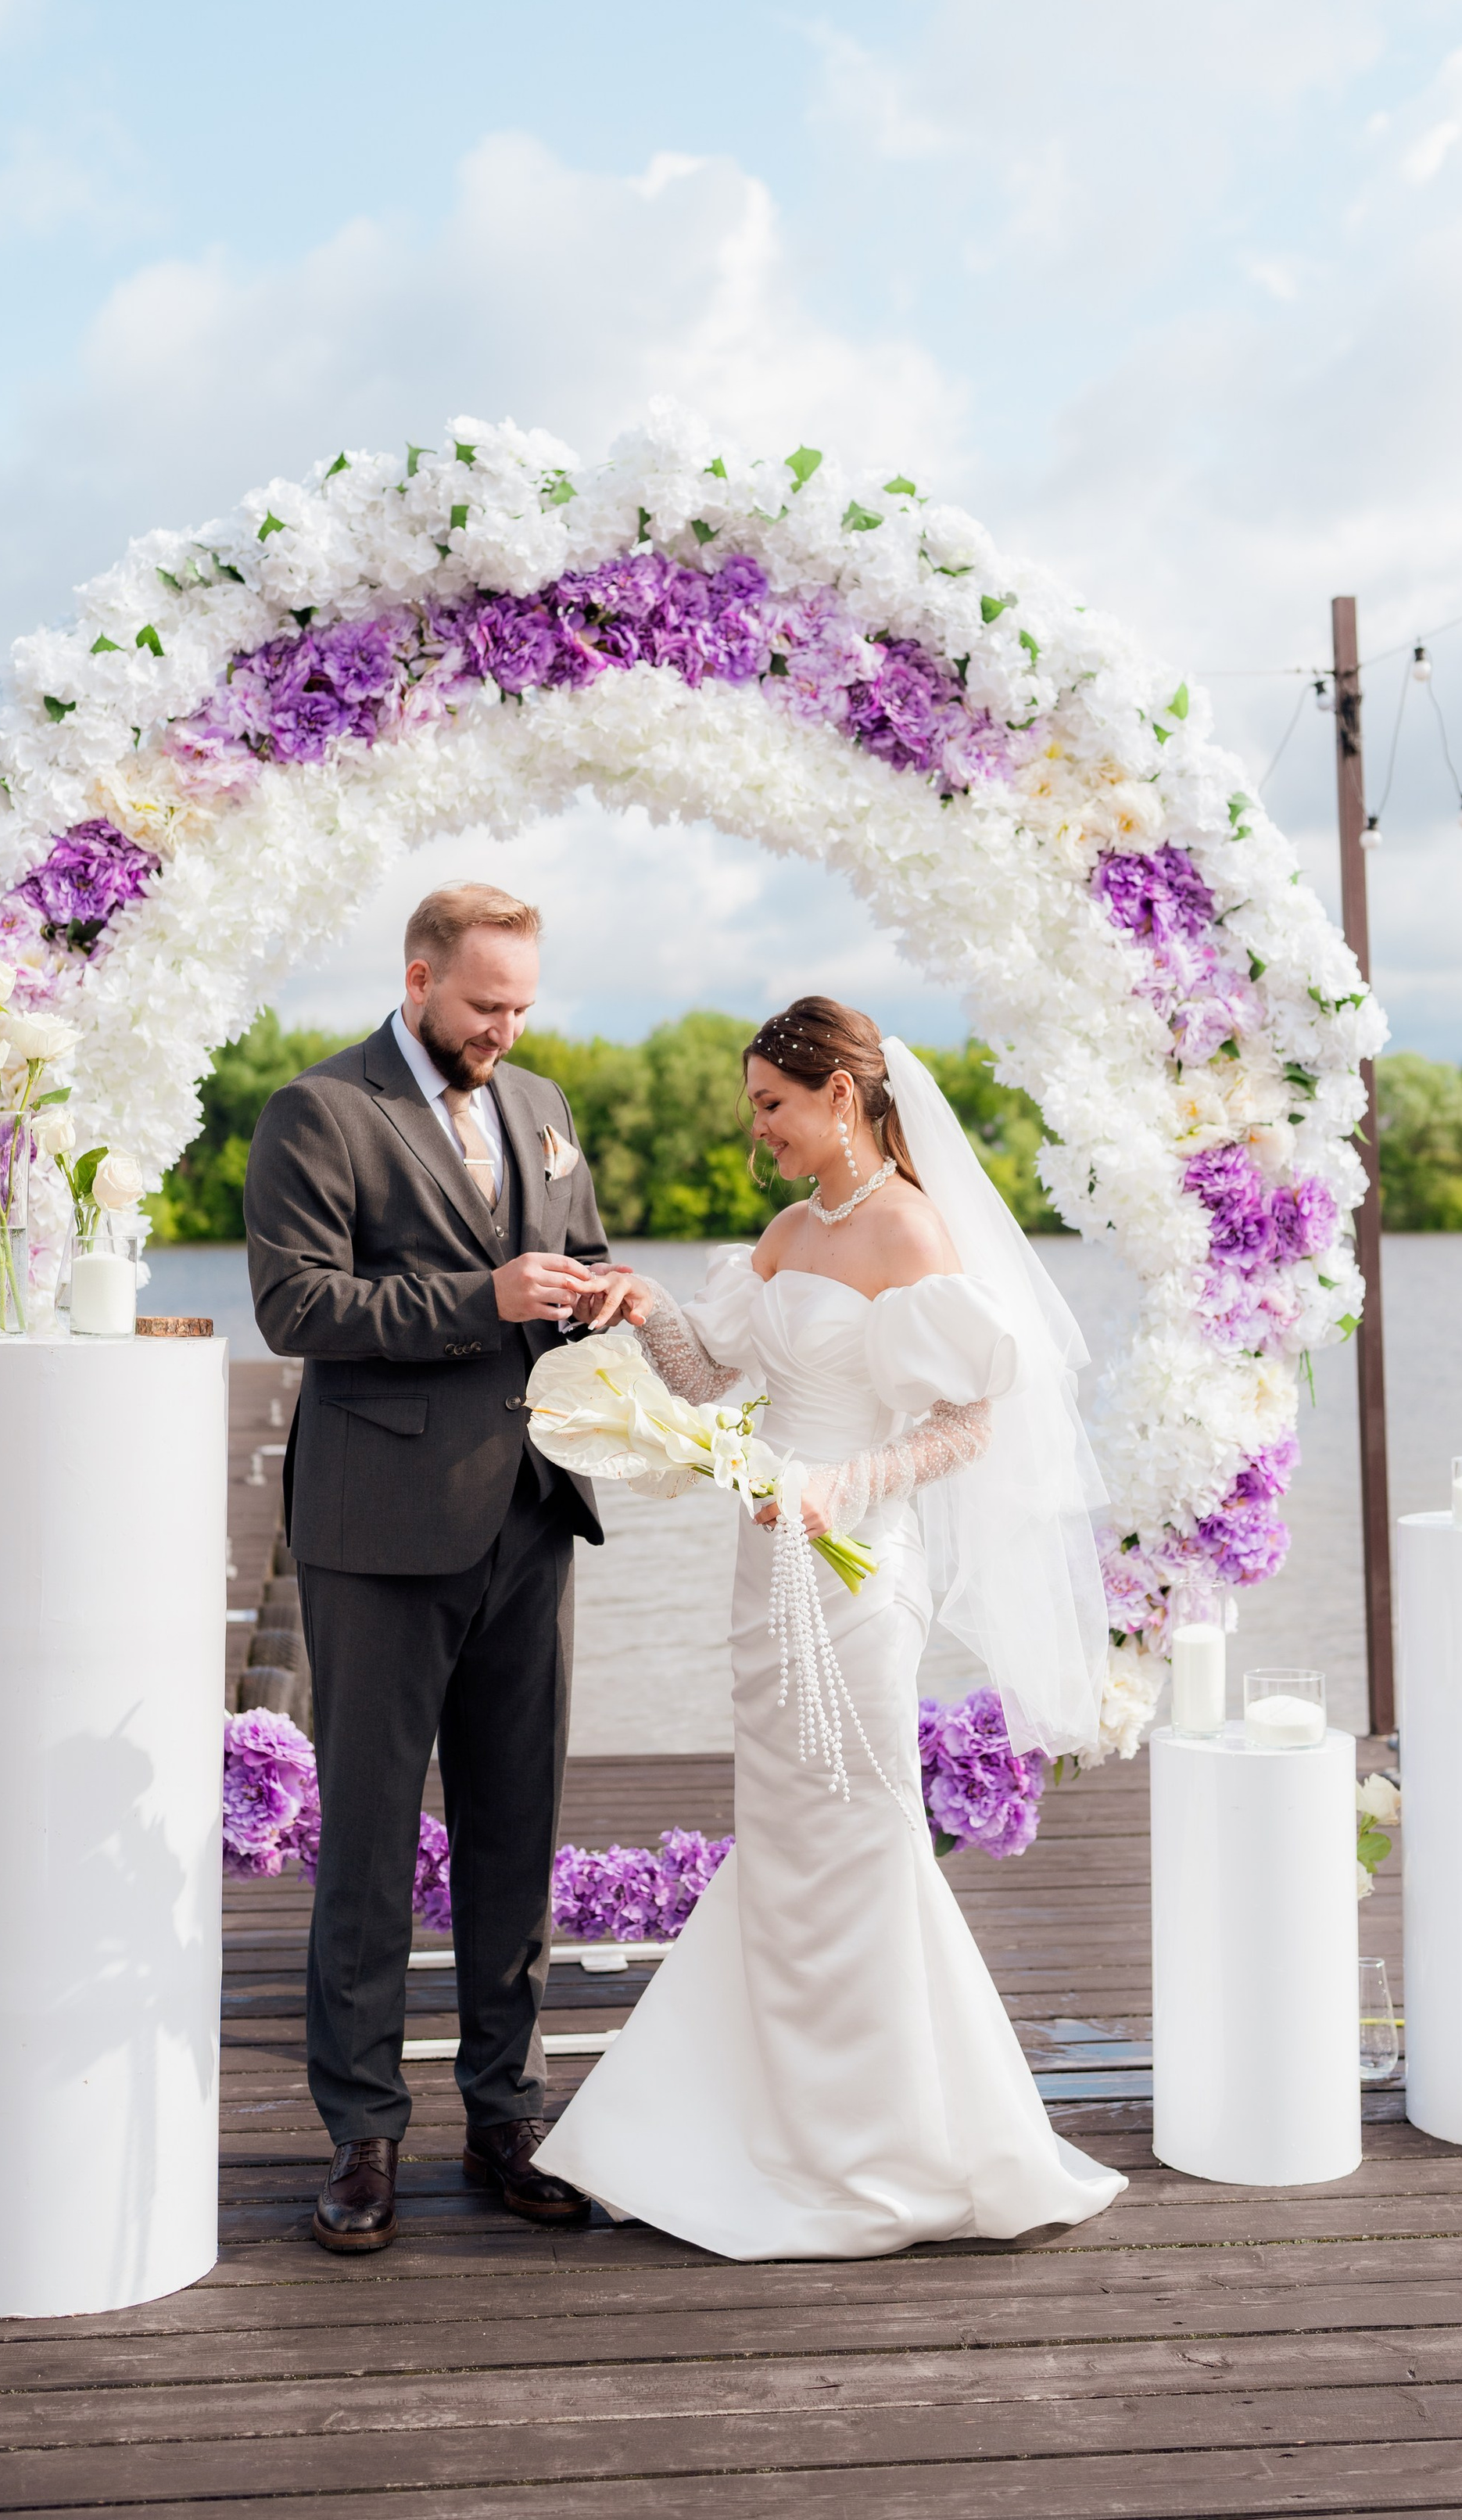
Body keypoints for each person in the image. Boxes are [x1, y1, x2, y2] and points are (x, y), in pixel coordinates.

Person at [544, 996, 1127, 2258]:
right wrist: (645, 1306)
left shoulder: (911, 1229)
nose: (758, 1129)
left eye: (773, 1105)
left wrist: (839, 1488)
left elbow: (967, 1425)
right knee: (782, 1836)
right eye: (754, 1107)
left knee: (858, 1835)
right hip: (766, 1563)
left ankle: (889, 2142)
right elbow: (714, 1379)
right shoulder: (790, 1230)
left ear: (842, 1097)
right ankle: (772, 2125)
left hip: (860, 1571)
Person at [243, 881, 633, 2253]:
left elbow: (575, 1255)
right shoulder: (317, 1110)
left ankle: (506, 2115)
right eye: (484, 1005)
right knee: (365, 1843)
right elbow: (296, 1305)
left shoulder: (541, 1105)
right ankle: (362, 2137)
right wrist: (487, 1298)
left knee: (516, 1829)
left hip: (535, 1511)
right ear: (417, 981)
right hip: (379, 1529)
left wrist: (603, 1292)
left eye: (521, 1006)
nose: (505, 1030)